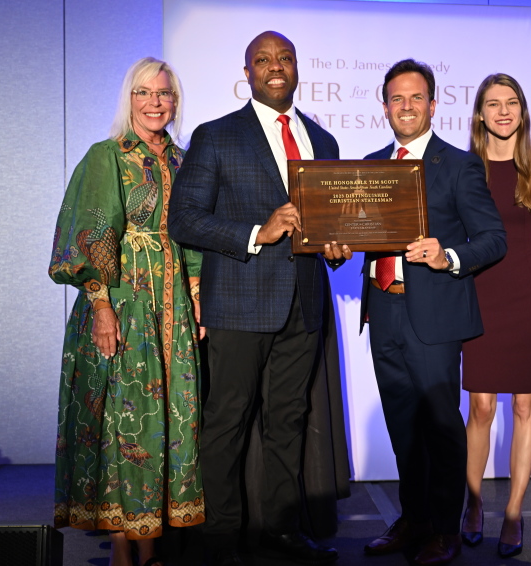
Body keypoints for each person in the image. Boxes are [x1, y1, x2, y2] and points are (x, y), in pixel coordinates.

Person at [168, 31, 350, 566]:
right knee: (227, 423)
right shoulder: (217, 136)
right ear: (246, 72)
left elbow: (328, 228)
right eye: (263, 60)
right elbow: (184, 219)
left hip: (304, 302)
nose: (276, 67)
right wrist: (257, 232)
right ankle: (221, 538)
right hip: (240, 304)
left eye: (285, 58)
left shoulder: (324, 141)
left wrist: (337, 248)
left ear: (297, 69)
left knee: (288, 422)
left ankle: (282, 529)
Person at [49, 57, 203, 566]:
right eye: (143, 92)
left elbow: (195, 233)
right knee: (124, 417)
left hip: (173, 305)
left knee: (166, 420)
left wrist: (198, 297)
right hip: (123, 301)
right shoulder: (108, 157)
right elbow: (94, 232)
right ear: (129, 100)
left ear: (175, 100)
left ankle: (152, 546)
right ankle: (121, 547)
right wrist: (100, 305)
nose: (154, 101)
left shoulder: (185, 161)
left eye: (163, 93)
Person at [360, 59, 506, 566]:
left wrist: (449, 256)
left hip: (435, 317)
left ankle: (444, 528)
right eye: (397, 99)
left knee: (441, 428)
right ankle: (414, 520)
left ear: (433, 104)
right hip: (384, 313)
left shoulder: (459, 165)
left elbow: (494, 239)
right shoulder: (369, 166)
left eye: (416, 98)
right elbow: (360, 236)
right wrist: (334, 245)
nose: (406, 107)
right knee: (403, 429)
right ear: (385, 107)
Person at [461, 73, 531, 559]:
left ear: (522, 111)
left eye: (511, 103)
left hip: (529, 292)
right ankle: (474, 501)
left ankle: (514, 512)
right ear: (480, 114)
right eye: (493, 104)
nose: (503, 112)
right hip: (479, 293)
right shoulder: (465, 168)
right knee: (481, 407)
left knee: (525, 406)